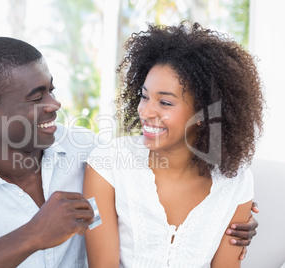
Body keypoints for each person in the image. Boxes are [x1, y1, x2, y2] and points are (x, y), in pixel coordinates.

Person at [0, 36, 257, 268]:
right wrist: (32, 235)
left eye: (50, 89)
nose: (55, 104)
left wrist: (227, 216)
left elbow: (153, 164)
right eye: (37, 97)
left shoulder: (89, 151)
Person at [83, 22, 264, 267]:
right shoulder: (108, 163)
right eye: (144, 96)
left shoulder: (235, 181)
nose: (145, 112)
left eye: (165, 103)